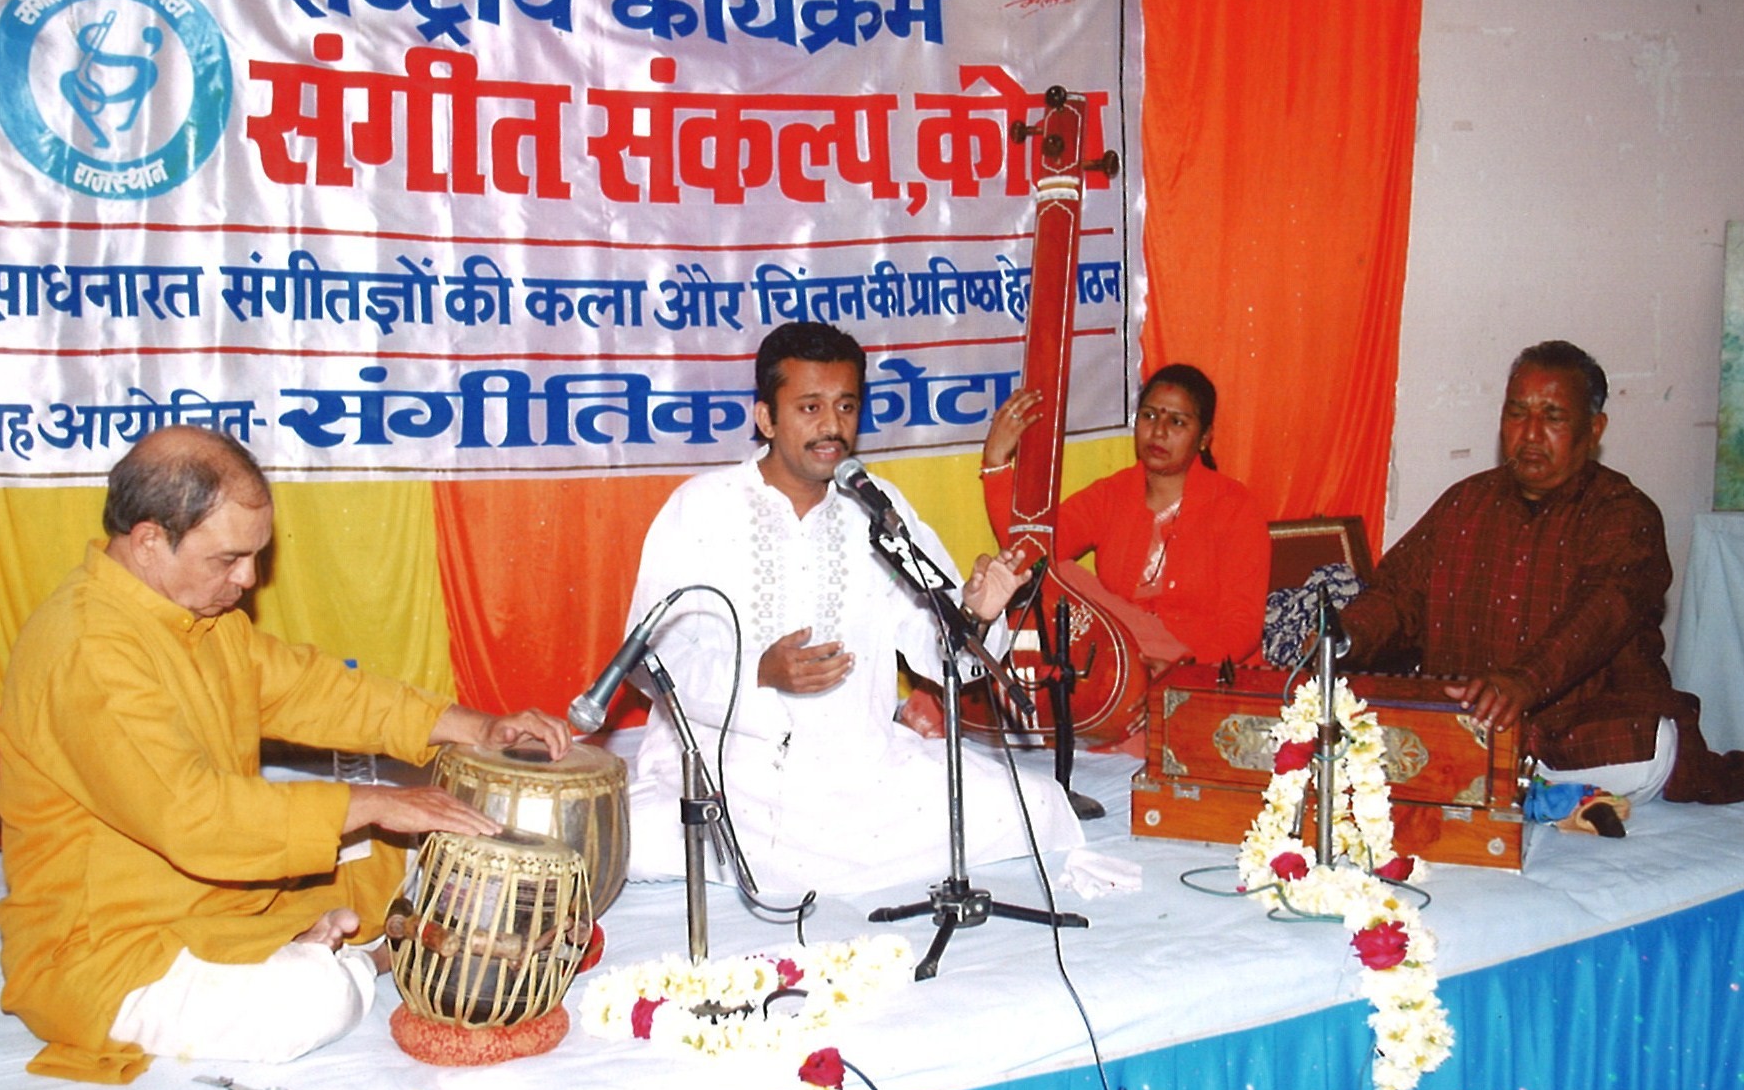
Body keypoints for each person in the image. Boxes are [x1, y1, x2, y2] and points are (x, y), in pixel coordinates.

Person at [0, 426, 574, 1083]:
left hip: (221, 896)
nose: (247, 579)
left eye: (255, 556)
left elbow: (314, 692)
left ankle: (330, 941)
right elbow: (195, 818)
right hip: (113, 950)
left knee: (417, 845)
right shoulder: (87, 651)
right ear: (150, 540)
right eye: (228, 559)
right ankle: (368, 958)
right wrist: (378, 802)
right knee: (307, 1004)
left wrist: (474, 727)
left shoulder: (198, 619)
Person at [622, 322, 1085, 894]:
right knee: (637, 836)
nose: (831, 427)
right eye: (809, 407)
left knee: (1033, 805)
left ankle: (806, 865)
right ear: (766, 418)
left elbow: (940, 652)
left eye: (845, 407)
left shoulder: (878, 507)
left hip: (856, 768)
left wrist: (979, 613)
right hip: (736, 767)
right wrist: (756, 675)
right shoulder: (700, 508)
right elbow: (647, 658)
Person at [1337, 340, 1744, 806]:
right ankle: (1508, 781)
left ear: (1593, 430)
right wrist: (1345, 636)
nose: (1530, 434)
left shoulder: (1625, 515)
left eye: (1552, 417)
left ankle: (1529, 783)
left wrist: (1524, 682)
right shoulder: (1462, 505)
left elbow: (1601, 612)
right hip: (1470, 735)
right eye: (1516, 413)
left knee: (1652, 746)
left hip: (1577, 739)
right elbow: (1396, 597)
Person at [981, 364, 1270, 703]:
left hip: (1207, 678)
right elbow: (1029, 549)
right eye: (1149, 416)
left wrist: (1181, 667)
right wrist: (996, 462)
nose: (1159, 431)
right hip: (1124, 669)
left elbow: (1242, 627)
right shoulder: (1113, 495)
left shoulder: (1235, 508)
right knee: (1056, 573)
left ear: (1205, 437)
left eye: (1177, 422)